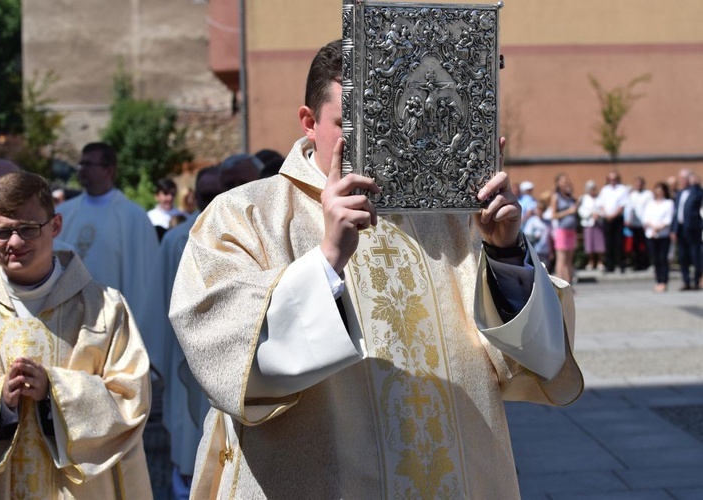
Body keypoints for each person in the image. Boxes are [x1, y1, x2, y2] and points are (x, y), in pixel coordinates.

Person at [170, 40, 582, 499]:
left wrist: (503, 251)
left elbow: (540, 359)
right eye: (352, 126)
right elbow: (230, 366)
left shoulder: (451, 218)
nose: (375, 145)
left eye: (385, 125)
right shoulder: (244, 215)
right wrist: (327, 260)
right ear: (309, 123)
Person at [0, 171, 152, 499]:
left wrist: (54, 393)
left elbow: (131, 399)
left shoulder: (105, 307)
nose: (14, 243)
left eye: (28, 229)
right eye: (2, 232)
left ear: (56, 226)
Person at [138, 165, 226, 500]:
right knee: (193, 457)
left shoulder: (249, 233)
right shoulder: (177, 239)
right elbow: (157, 309)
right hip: (187, 363)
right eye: (206, 194)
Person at [56, 142, 159, 316]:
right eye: (81, 164)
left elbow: (144, 278)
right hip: (67, 313)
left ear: (109, 170)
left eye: (89, 164)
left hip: (111, 316)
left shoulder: (133, 217)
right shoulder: (63, 213)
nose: (82, 169)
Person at [671, 168, 703, 290]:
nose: (681, 181)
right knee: (683, 257)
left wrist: (695, 183)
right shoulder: (680, 193)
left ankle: (697, 280)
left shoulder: (696, 192)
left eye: (683, 179)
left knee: (695, 255)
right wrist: (673, 230)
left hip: (693, 228)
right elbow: (676, 213)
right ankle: (686, 281)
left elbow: (700, 196)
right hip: (680, 228)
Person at [642, 182, 674, 292]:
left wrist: (659, 227)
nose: (659, 193)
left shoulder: (668, 203)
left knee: (663, 259)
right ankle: (658, 280)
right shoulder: (651, 203)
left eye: (661, 190)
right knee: (655, 259)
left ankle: (664, 281)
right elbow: (646, 218)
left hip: (663, 235)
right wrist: (652, 226)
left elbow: (668, 219)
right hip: (651, 234)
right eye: (657, 190)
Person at [597, 171, 629, 273]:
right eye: (610, 179)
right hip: (607, 218)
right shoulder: (605, 190)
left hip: (617, 218)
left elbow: (622, 205)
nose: (612, 181)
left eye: (614, 179)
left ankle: (621, 264)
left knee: (619, 242)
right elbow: (601, 204)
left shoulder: (622, 189)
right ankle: (610, 265)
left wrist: (614, 215)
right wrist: (606, 215)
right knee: (608, 243)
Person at [549, 173, 579, 283]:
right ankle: (561, 284)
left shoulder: (569, 196)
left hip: (571, 230)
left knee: (569, 260)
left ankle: (569, 284)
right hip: (562, 230)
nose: (566, 182)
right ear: (558, 183)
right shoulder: (555, 197)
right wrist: (568, 211)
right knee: (561, 259)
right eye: (563, 180)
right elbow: (553, 215)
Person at [624, 176, 651, 270]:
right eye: (636, 184)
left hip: (645, 224)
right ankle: (637, 263)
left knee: (646, 245)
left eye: (640, 183)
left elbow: (650, 208)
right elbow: (629, 209)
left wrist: (648, 221)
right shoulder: (632, 195)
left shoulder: (648, 194)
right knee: (635, 245)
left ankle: (646, 263)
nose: (638, 185)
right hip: (634, 224)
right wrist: (628, 220)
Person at [578, 179, 605, 271]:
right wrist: (590, 214)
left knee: (599, 244)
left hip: (598, 223)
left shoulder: (599, 198)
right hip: (588, 223)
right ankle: (591, 261)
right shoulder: (584, 198)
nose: (593, 191)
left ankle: (600, 262)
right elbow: (581, 211)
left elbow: (603, 209)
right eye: (591, 189)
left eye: (594, 189)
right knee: (589, 244)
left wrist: (599, 214)